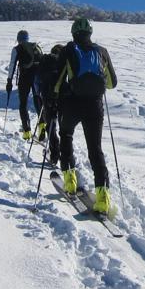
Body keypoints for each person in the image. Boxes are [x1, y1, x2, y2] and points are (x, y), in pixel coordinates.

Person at [50, 18, 118, 214]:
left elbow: (58, 80)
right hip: (95, 106)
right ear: (90, 32)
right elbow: (112, 83)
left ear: (73, 33)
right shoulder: (102, 51)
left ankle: (70, 182)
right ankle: (103, 198)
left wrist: (54, 98)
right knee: (95, 149)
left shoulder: (68, 50)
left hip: (73, 103)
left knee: (66, 135)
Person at [6, 30, 42, 140]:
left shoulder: (17, 49)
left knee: (23, 103)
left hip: (24, 78)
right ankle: (42, 128)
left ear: (18, 39)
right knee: (37, 100)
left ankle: (27, 132)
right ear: (27, 38)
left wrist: (9, 81)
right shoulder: (36, 47)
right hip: (37, 78)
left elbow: (12, 65)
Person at [33, 44, 63, 165]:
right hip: (63, 97)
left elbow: (37, 81)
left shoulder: (45, 61)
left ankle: (54, 155)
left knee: (51, 126)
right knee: (65, 130)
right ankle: (66, 157)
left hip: (47, 97)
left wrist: (39, 94)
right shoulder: (64, 62)